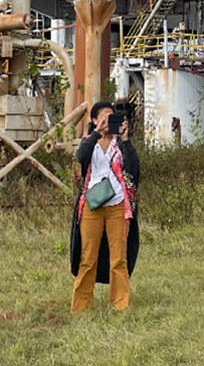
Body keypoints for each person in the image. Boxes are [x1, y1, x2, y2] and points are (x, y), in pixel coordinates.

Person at [70, 102, 140, 313]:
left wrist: (126, 140)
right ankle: (80, 307)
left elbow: (134, 170)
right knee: (87, 257)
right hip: (92, 205)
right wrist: (96, 135)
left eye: (113, 117)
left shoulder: (120, 144)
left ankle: (120, 305)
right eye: (104, 118)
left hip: (118, 205)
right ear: (94, 120)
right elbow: (80, 159)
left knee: (119, 258)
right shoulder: (88, 142)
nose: (109, 121)